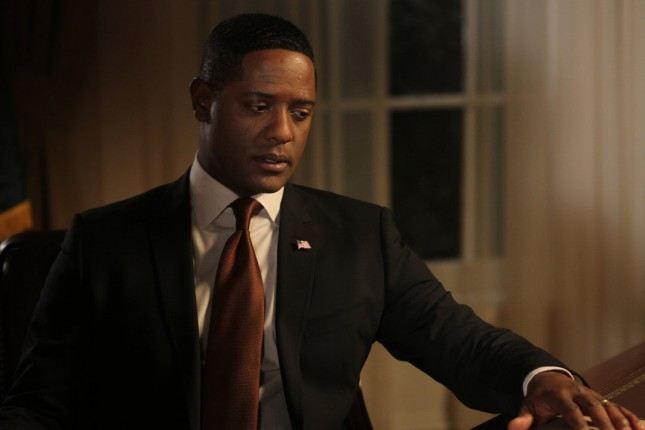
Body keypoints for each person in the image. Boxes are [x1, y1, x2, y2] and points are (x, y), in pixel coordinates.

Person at [0, 13, 641, 430]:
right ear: (203, 101)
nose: (282, 133)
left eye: (301, 112)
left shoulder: (360, 237)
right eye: (258, 106)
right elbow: (37, 405)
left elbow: (461, 341)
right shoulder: (105, 242)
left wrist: (542, 376)